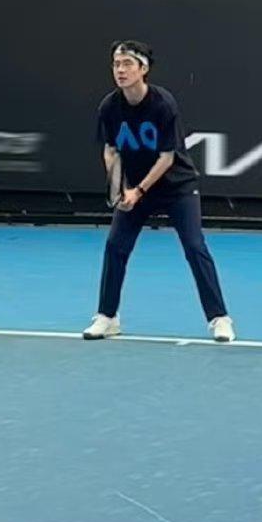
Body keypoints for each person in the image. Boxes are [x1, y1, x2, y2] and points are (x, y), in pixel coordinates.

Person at [83, 39, 235, 343]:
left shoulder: (163, 104)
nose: (120, 70)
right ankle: (107, 317)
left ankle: (220, 319)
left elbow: (166, 158)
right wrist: (120, 187)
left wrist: (138, 190)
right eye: (116, 64)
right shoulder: (109, 107)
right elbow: (111, 150)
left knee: (194, 247)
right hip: (134, 188)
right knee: (115, 247)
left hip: (176, 187)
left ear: (143, 69)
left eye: (127, 64)